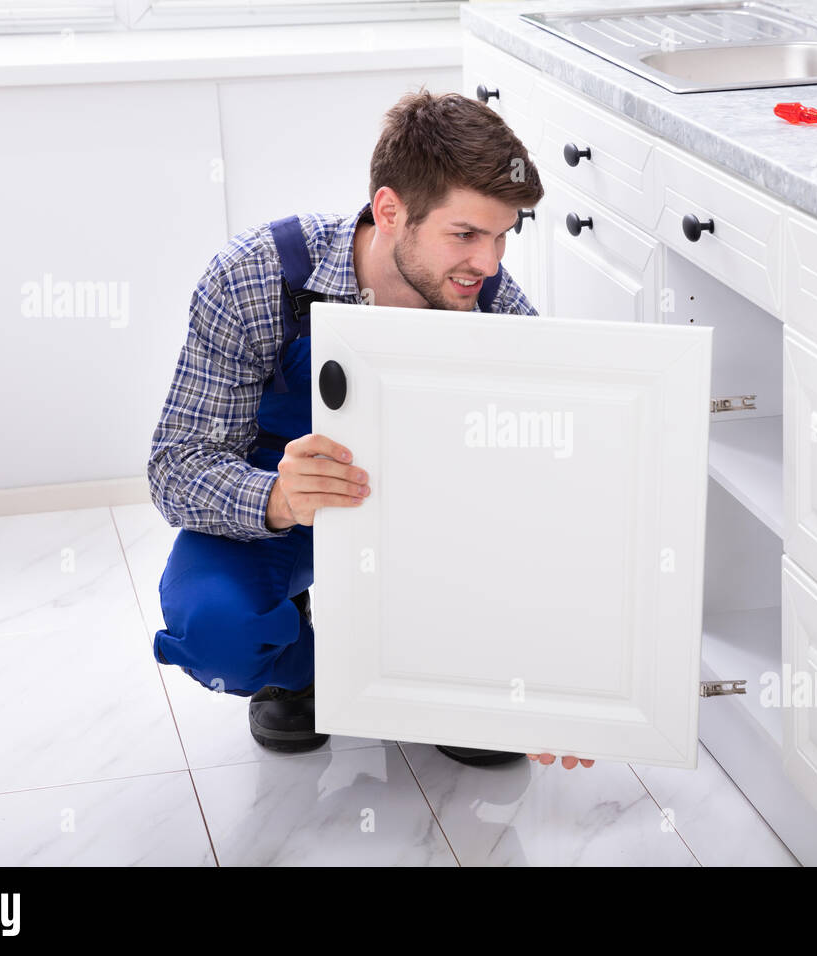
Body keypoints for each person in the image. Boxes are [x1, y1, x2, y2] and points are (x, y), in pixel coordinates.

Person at [147, 89, 594, 771]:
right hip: (285, 507)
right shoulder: (257, 277)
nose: (492, 263)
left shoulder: (496, 310)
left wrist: (549, 670)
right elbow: (177, 465)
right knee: (216, 631)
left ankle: (434, 675)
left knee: (490, 701)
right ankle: (304, 668)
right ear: (390, 211)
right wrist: (278, 499)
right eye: (467, 234)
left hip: (430, 527)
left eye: (504, 234)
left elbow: (548, 494)